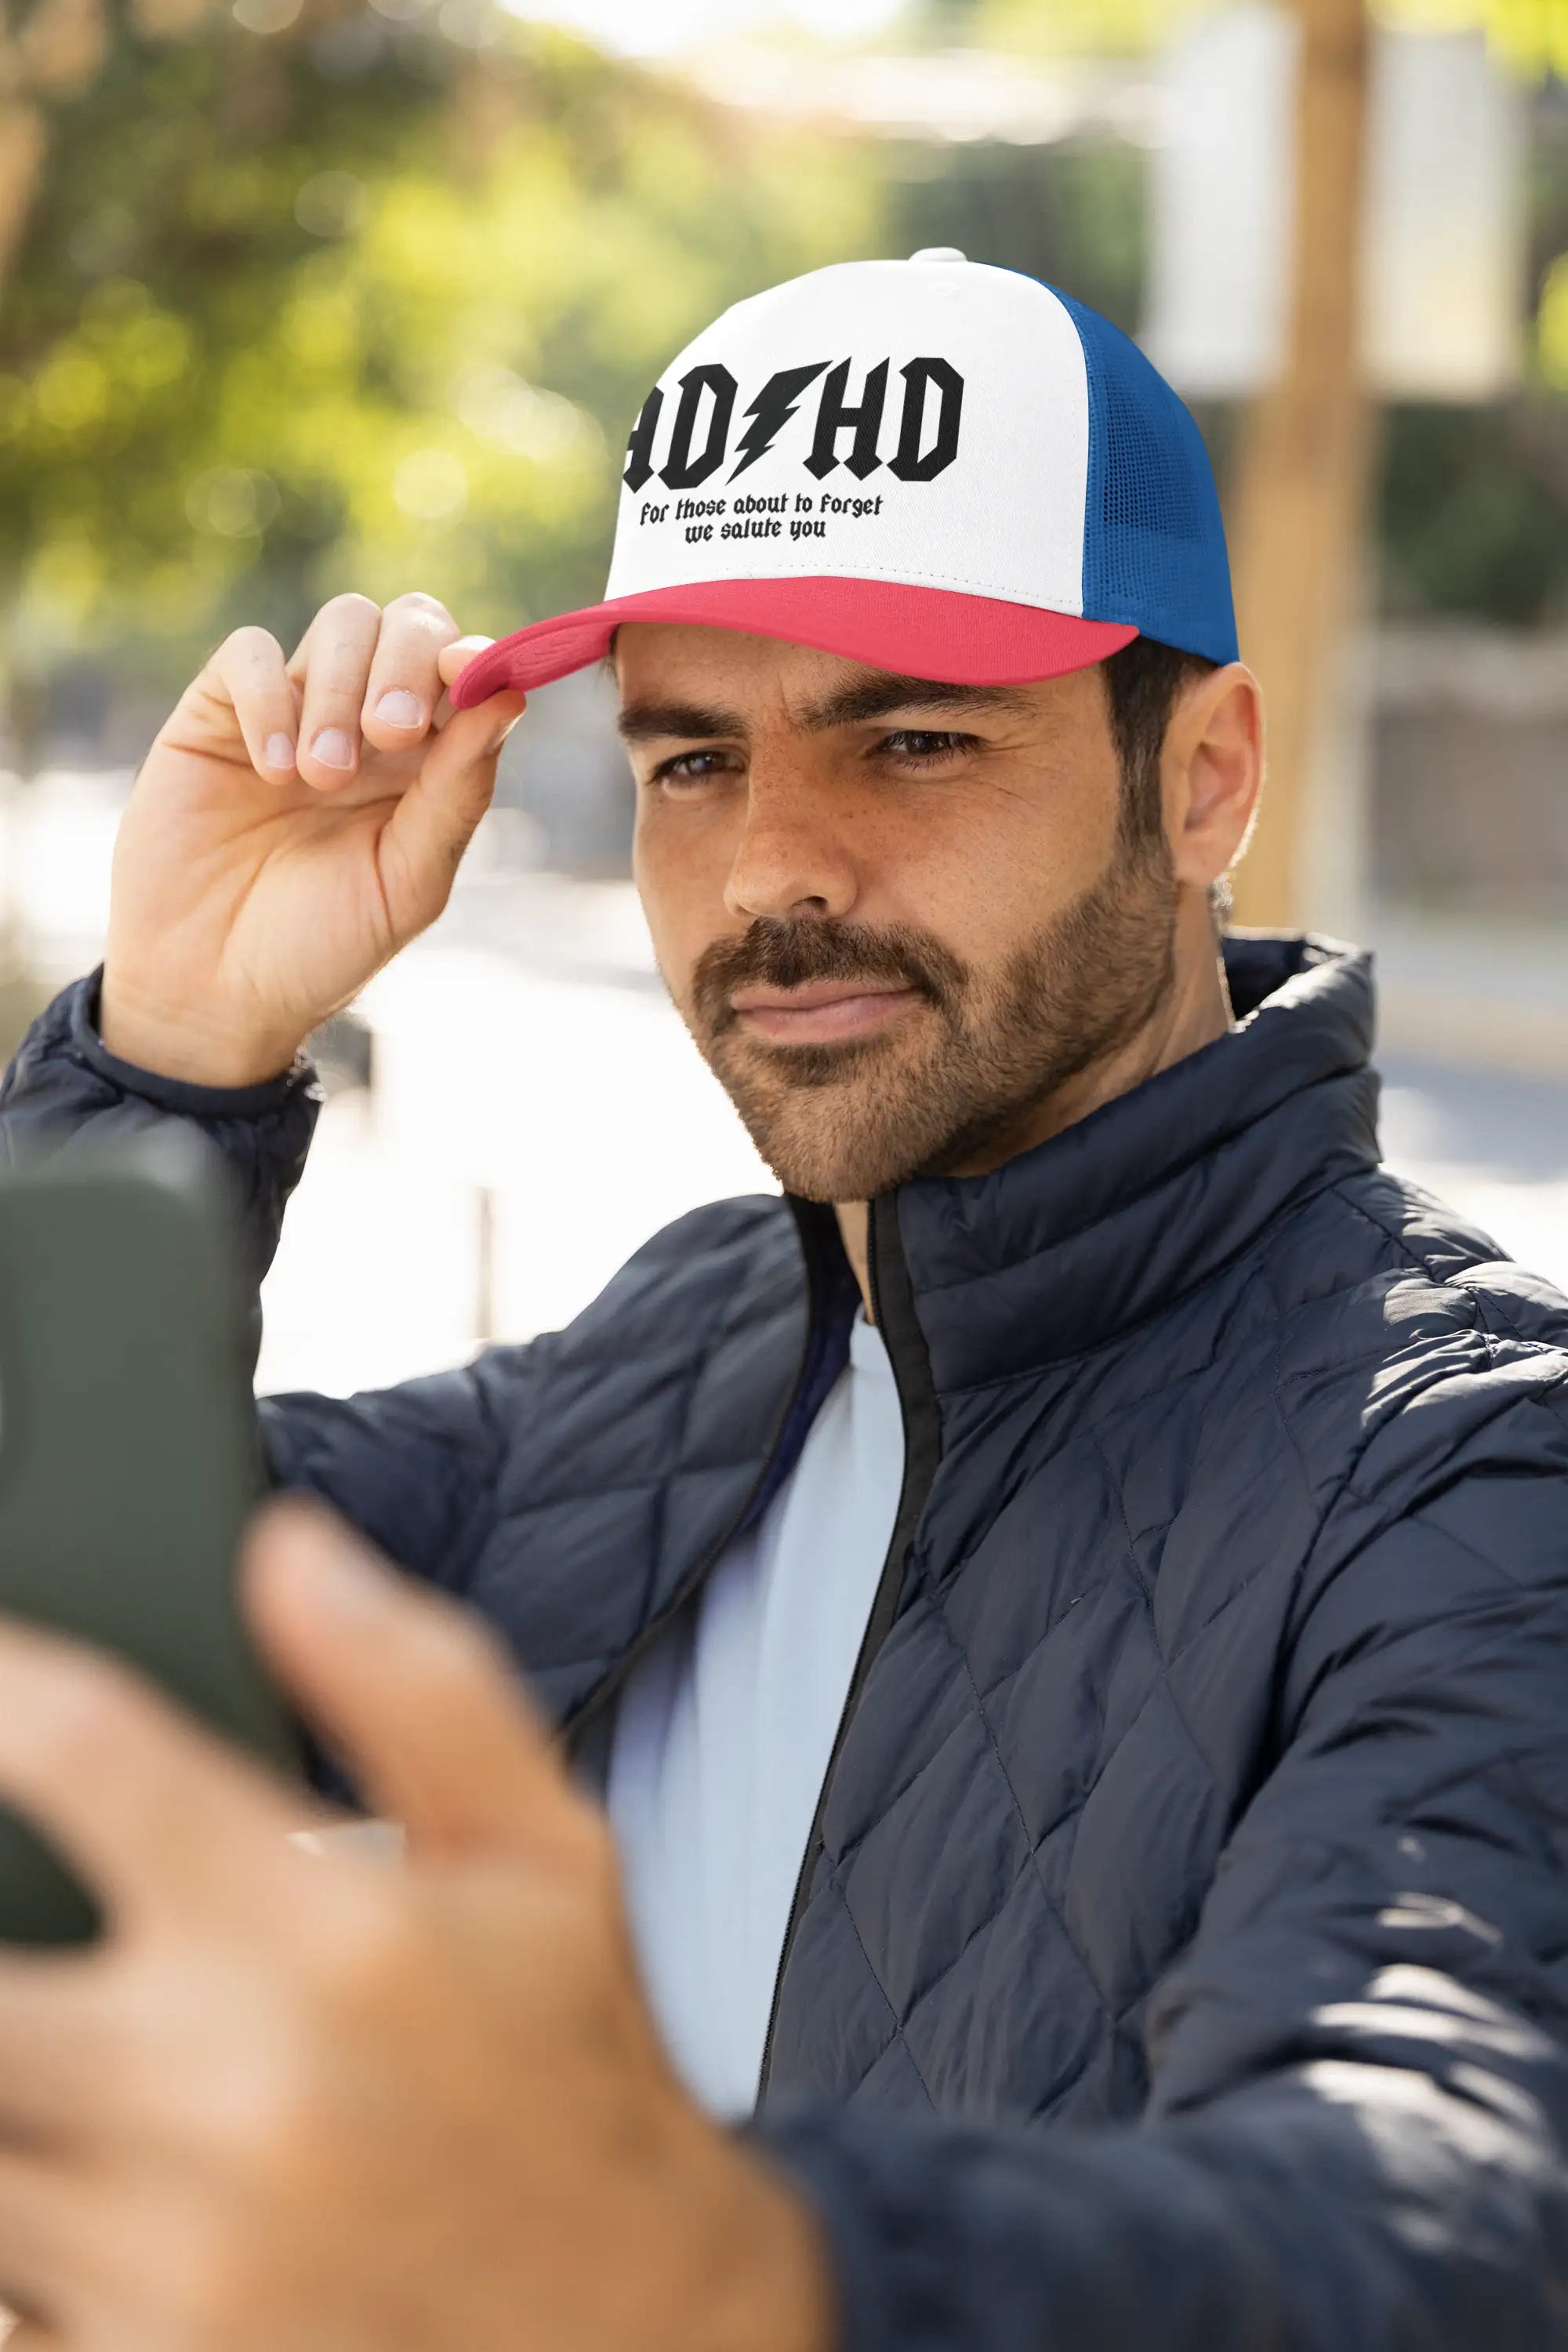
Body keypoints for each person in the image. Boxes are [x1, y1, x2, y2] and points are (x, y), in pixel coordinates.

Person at [0, 249, 1566, 2352]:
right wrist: (169, 1050)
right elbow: (50, 1652)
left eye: (911, 741)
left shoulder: (1470, 1470)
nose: (771, 872)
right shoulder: (689, 1361)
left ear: (1203, 777)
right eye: (692, 762)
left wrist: (699, 2260)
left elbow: (1435, 2229)